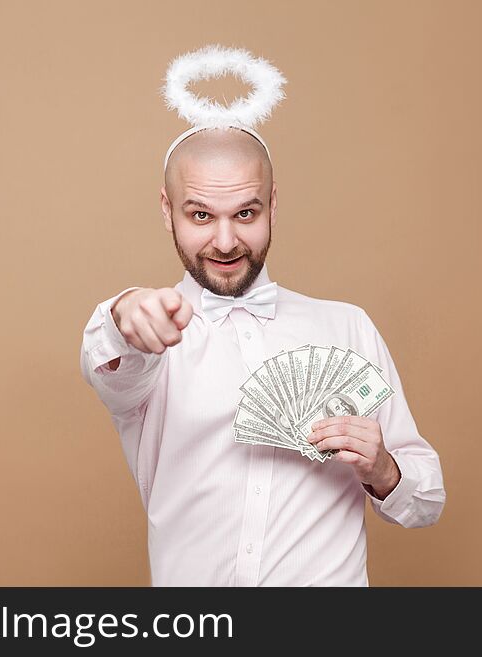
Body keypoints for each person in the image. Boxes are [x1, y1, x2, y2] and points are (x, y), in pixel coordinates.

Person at [80, 126, 446, 586]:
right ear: (166, 210)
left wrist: (383, 469)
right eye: (200, 216)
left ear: (272, 205)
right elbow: (108, 359)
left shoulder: (348, 328)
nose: (227, 241)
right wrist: (124, 311)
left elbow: (426, 503)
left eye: (246, 213)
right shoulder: (150, 341)